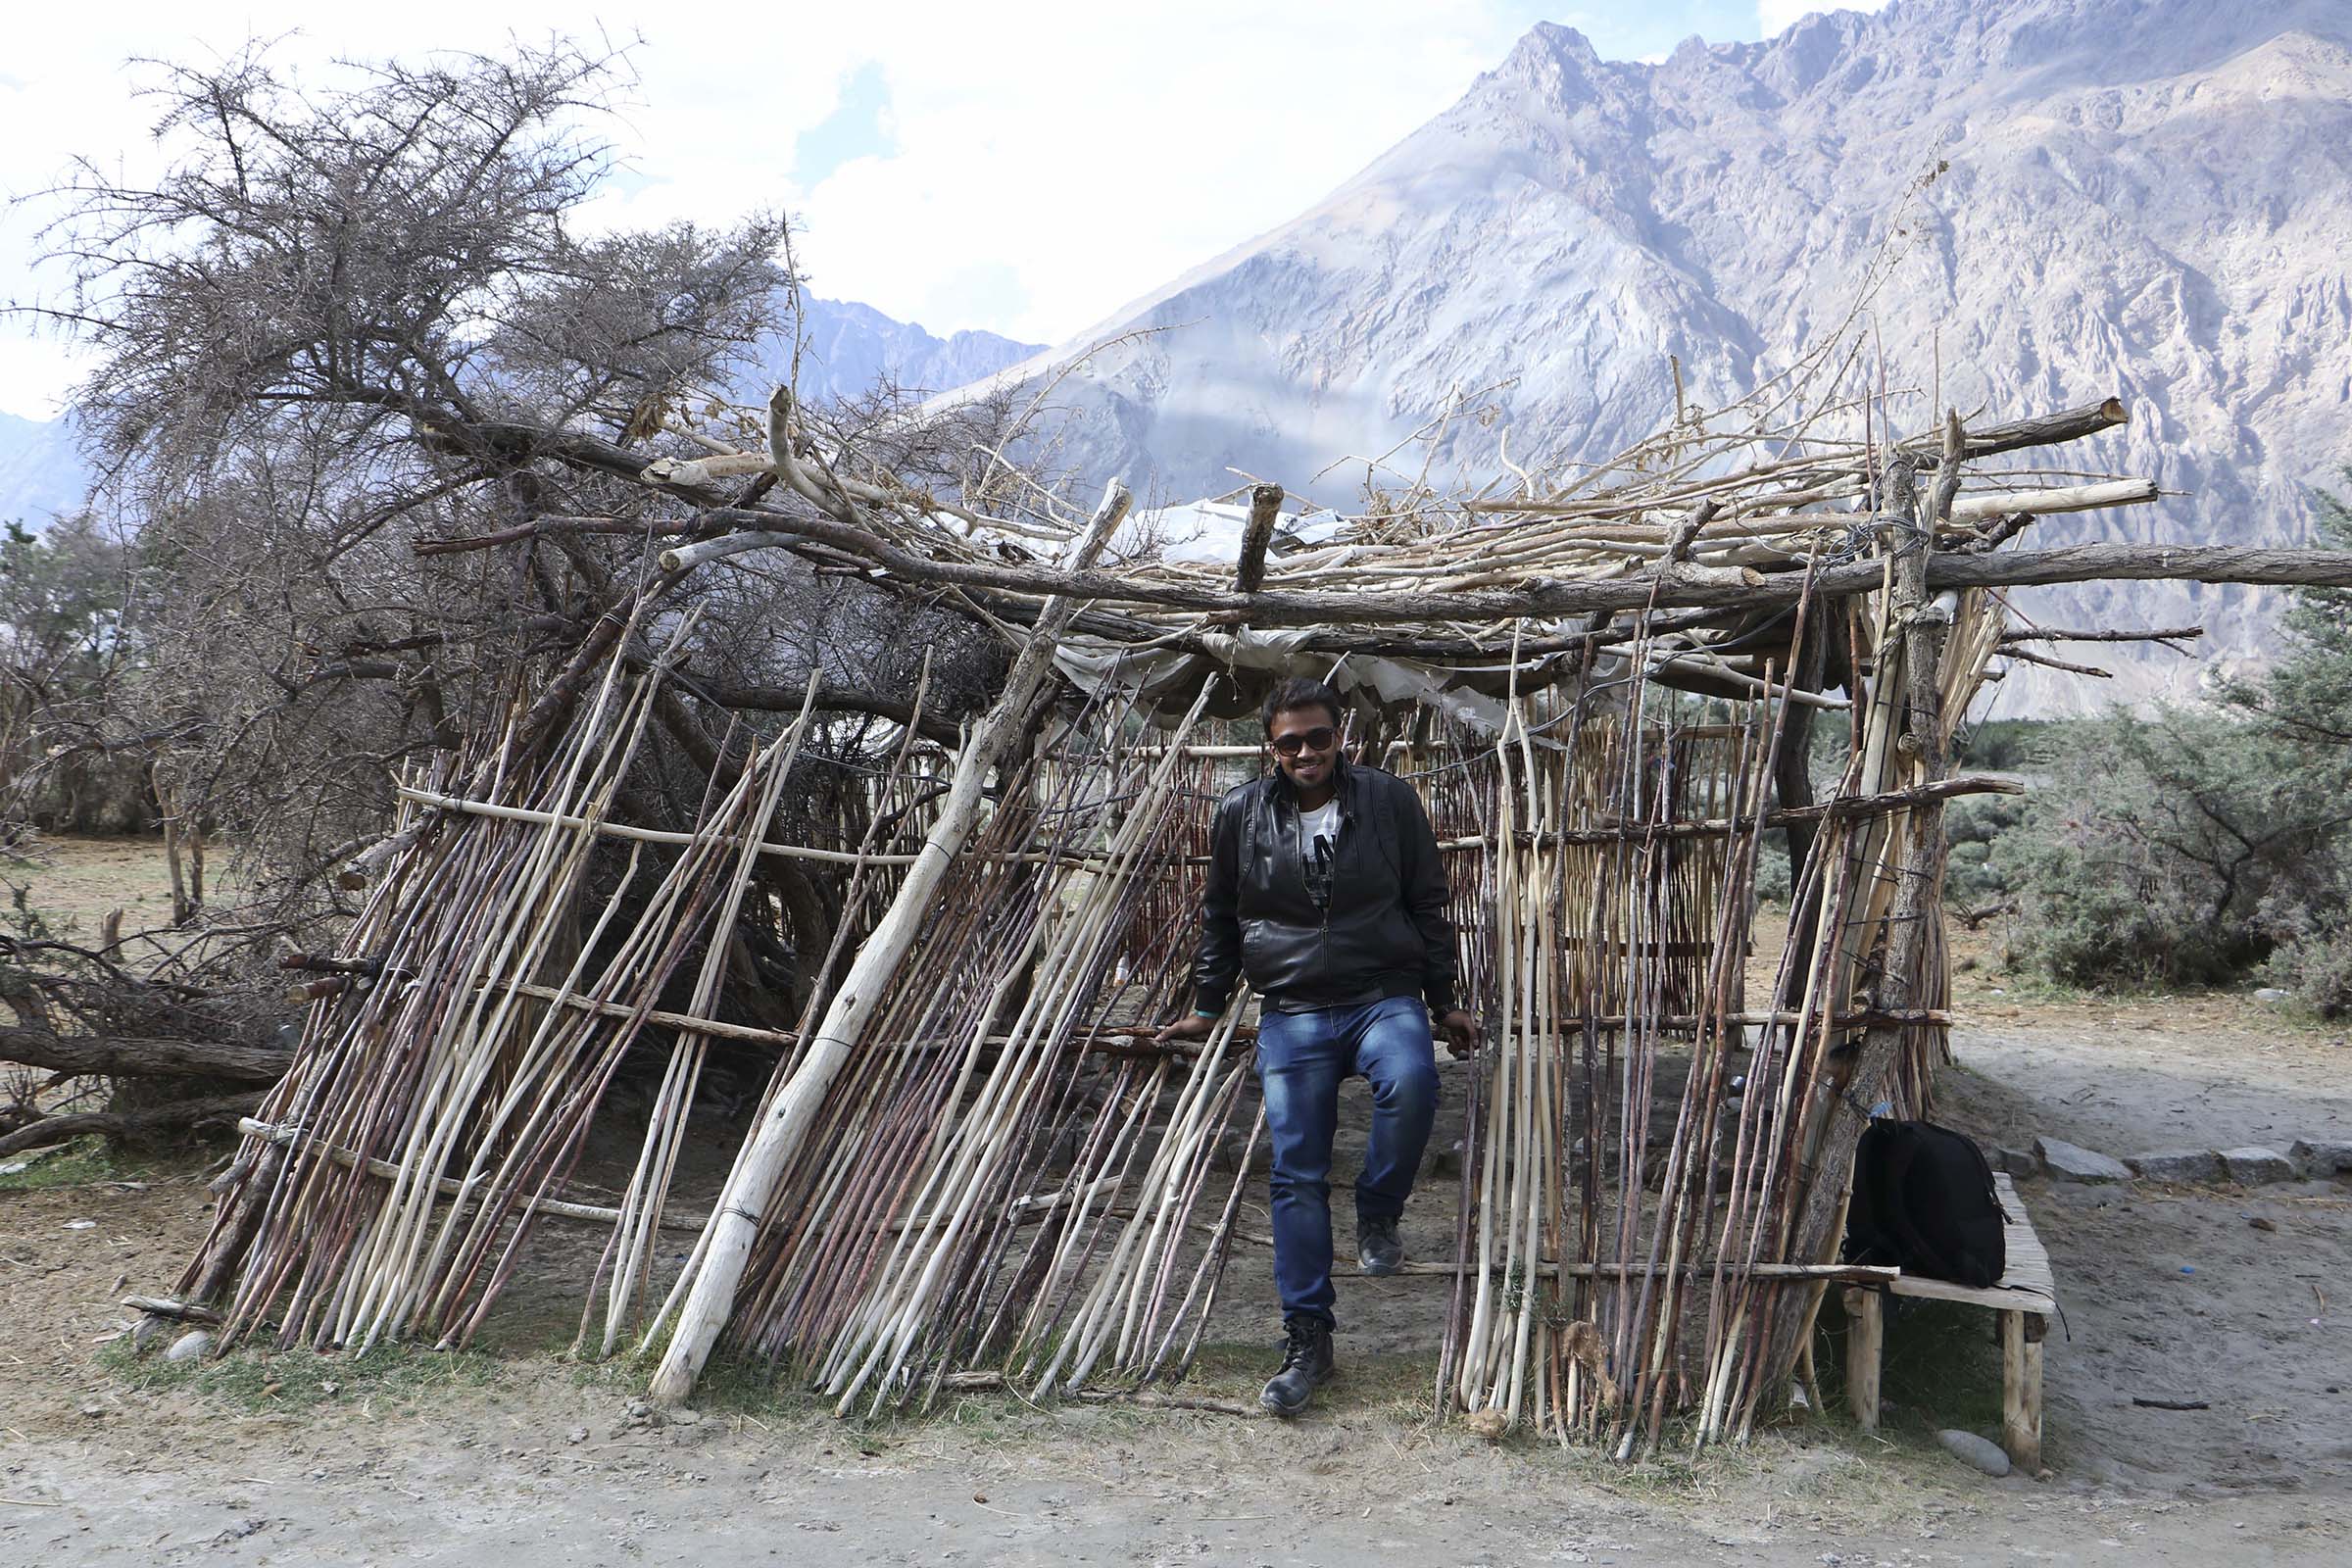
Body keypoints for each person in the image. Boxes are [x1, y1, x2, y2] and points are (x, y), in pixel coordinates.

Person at [1156, 676, 1479, 1416]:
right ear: (1271, 749)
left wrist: (1444, 1001)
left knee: (1413, 1082)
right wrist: (1208, 1008)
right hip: (1293, 1006)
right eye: (1289, 742)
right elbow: (1222, 917)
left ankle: (1377, 1209)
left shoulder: (1389, 801)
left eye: (1318, 737)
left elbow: (1427, 902)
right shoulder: (1241, 813)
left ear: (1343, 739)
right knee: (1295, 1171)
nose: (1305, 752)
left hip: (1382, 994)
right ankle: (1308, 1340)